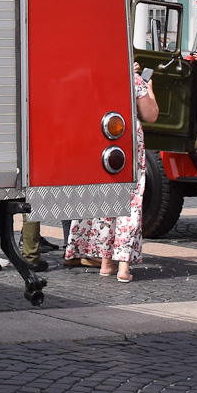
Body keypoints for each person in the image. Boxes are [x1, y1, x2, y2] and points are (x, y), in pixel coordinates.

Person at [64, 63, 159, 283]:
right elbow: (151, 115)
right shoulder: (134, 80)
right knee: (131, 201)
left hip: (100, 139)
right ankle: (123, 266)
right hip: (126, 142)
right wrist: (150, 88)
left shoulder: (92, 77)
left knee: (105, 197)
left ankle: (106, 262)